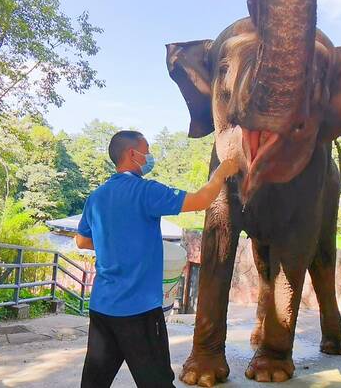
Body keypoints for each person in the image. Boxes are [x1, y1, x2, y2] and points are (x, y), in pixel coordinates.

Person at [76, 130, 239, 388]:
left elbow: (82, 241)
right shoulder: (146, 191)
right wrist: (222, 171)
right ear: (132, 154)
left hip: (102, 308)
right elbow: (201, 200)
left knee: (94, 383)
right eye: (147, 150)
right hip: (138, 310)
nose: (149, 156)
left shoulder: (96, 197)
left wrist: (116, 237)